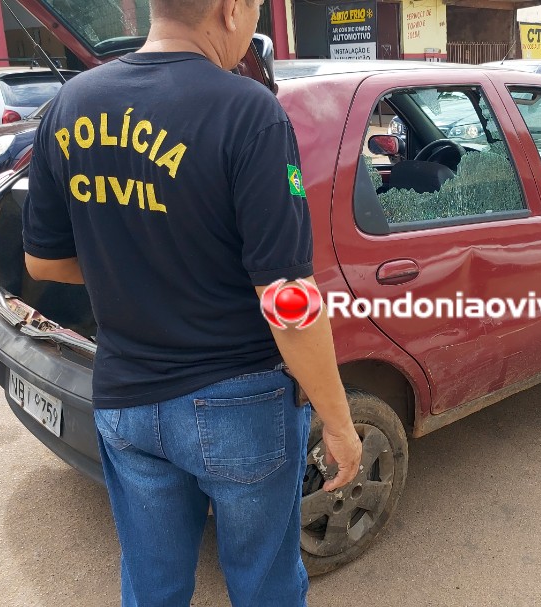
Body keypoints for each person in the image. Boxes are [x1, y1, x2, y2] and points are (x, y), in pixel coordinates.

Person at [21, 0, 363, 605]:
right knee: (265, 585)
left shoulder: (71, 104)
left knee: (152, 587)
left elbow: (42, 263)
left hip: (127, 399)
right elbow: (286, 296)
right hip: (239, 402)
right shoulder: (248, 111)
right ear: (230, 10)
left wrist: (129, 268)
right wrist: (338, 423)